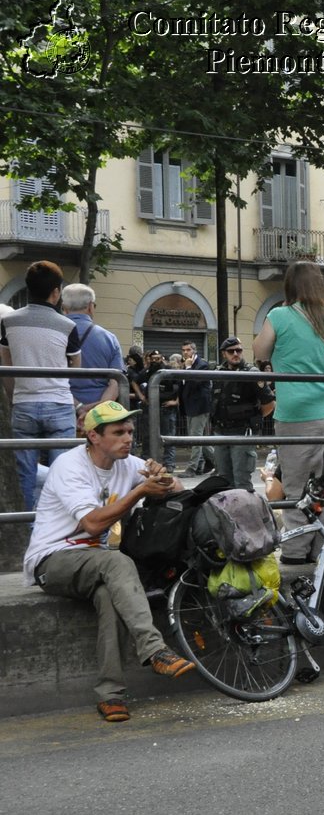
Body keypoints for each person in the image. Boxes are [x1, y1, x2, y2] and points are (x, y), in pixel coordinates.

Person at [22, 401, 197, 721]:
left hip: (94, 562)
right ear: (93, 436)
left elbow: (178, 488)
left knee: (109, 596)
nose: (128, 438)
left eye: (130, 431)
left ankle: (110, 694)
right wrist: (140, 491)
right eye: (118, 432)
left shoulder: (128, 463)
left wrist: (163, 479)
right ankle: (154, 649)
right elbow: (92, 524)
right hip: (52, 559)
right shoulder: (69, 466)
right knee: (118, 563)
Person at [254, 261, 324, 563]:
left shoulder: (280, 316)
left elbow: (259, 352)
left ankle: (296, 552)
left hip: (299, 411)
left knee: (297, 485)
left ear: (290, 286)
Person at [0, 260, 81, 509]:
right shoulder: (68, 326)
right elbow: (76, 368)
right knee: (62, 473)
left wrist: (16, 396)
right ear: (56, 292)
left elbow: (7, 367)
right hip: (59, 403)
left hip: (24, 403)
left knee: (25, 473)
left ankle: (27, 528)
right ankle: (57, 528)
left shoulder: (9, 323)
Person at [208, 337, 274, 491]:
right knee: (223, 480)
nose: (235, 354)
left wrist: (253, 420)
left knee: (242, 481)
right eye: (231, 351)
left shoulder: (251, 373)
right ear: (224, 354)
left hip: (242, 432)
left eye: (238, 350)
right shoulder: (218, 372)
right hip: (220, 431)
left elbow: (269, 403)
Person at [61, 283, 123, 425]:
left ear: (64, 308)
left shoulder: (56, 335)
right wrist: (97, 408)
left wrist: (79, 408)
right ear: (90, 306)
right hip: (101, 416)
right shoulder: (109, 338)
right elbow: (116, 382)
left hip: (63, 410)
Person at [176, 341, 213, 475]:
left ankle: (192, 468)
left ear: (194, 351)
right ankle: (213, 463)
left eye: (188, 350)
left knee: (196, 438)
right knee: (200, 438)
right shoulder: (186, 365)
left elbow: (194, 383)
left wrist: (188, 369)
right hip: (189, 406)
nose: (185, 352)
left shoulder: (202, 365)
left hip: (200, 407)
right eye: (183, 350)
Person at [145, 350, 180, 471]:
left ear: (162, 358)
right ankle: (151, 462)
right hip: (153, 408)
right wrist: (143, 397)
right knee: (150, 436)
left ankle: (169, 464)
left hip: (167, 409)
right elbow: (134, 381)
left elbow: (180, 386)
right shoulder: (149, 371)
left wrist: (175, 402)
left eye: (158, 358)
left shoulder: (168, 371)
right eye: (153, 359)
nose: (155, 361)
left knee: (169, 438)